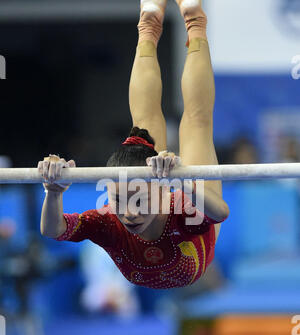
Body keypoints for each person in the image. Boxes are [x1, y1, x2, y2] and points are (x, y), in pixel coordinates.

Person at [38, 0, 229, 290]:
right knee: (196, 123)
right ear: (110, 194)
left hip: (182, 196)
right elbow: (53, 229)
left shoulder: (180, 211)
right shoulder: (108, 222)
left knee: (180, 121)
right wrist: (53, 194)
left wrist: (183, 182)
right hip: (186, 198)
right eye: (119, 201)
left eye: (139, 200)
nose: (129, 213)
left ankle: (156, 24)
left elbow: (219, 212)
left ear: (161, 189)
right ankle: (190, 20)